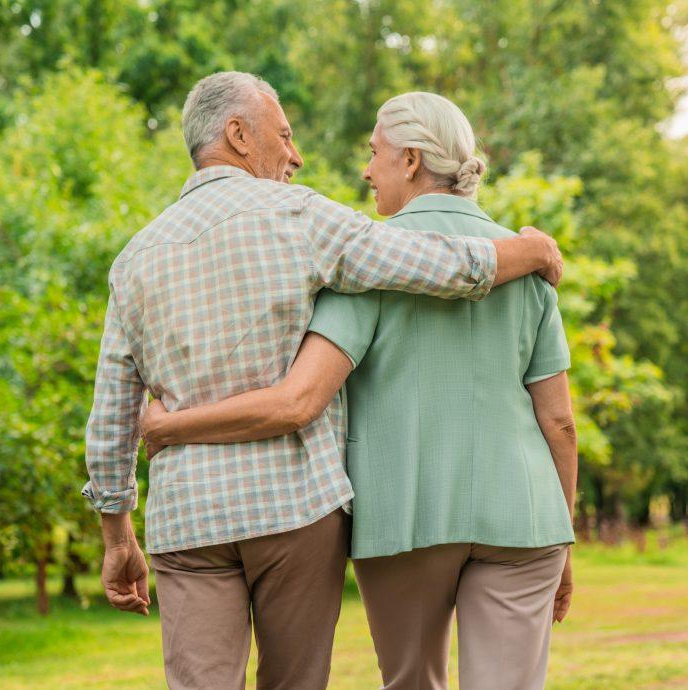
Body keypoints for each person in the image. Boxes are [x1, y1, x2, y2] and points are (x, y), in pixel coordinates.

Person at [83, 72, 563, 690]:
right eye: (284, 136)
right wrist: (528, 252)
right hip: (295, 507)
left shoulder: (135, 258)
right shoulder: (302, 217)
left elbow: (110, 418)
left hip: (187, 517)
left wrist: (117, 532)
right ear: (237, 134)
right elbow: (430, 263)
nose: (297, 155)